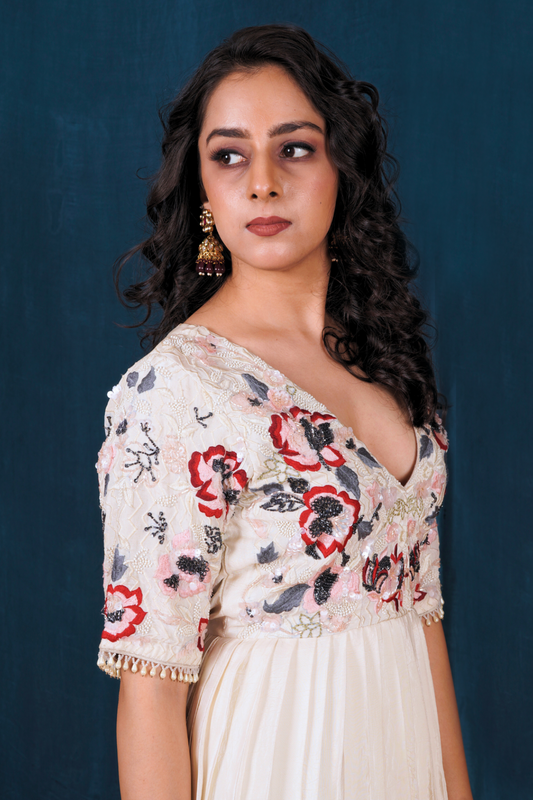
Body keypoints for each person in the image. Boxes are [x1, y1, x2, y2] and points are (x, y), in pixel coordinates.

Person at [95, 24, 473, 800]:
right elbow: (150, 691)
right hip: (276, 759)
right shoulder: (177, 390)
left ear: (342, 165)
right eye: (229, 156)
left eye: (294, 148)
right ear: (202, 189)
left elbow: (421, 609)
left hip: (403, 753)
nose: (262, 183)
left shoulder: (385, 355)